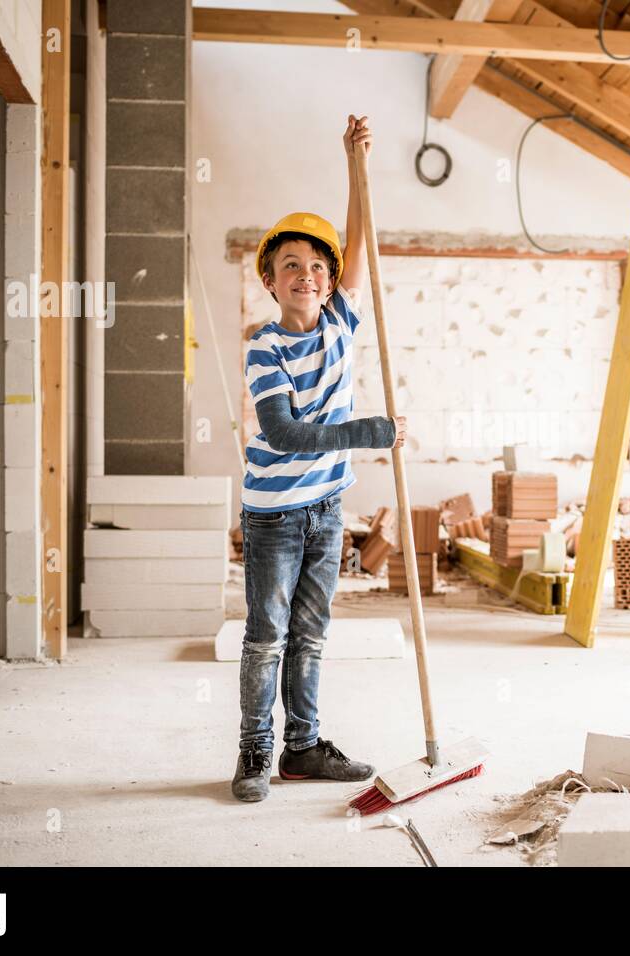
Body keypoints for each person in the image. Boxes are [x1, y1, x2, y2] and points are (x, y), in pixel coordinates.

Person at [232, 115, 406, 802]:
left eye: (316, 266)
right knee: (267, 634)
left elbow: (357, 241)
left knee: (310, 634)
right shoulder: (263, 346)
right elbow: (283, 433)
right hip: (275, 515)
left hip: (329, 507)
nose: (305, 275)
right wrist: (370, 432)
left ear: (330, 282)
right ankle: (255, 751)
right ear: (271, 283)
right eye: (290, 267)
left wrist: (354, 164)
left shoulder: (341, 323)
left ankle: (302, 748)